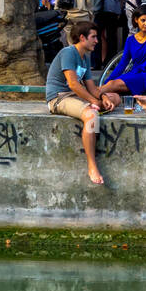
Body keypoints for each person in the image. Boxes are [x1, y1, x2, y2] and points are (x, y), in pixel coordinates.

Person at [46, 21, 120, 185]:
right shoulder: (68, 52)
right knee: (91, 115)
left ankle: (99, 106)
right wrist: (94, 102)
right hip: (59, 98)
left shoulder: (85, 57)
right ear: (82, 37)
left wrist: (103, 98)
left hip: (75, 96)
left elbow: (92, 88)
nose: (97, 41)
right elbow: (72, 84)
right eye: (93, 37)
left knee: (115, 97)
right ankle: (92, 165)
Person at [99, 6, 146, 98]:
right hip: (134, 74)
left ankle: (91, 94)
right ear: (136, 20)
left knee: (113, 85)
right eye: (143, 20)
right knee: (111, 88)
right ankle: (96, 98)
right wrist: (107, 81)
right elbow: (122, 63)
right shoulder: (130, 40)